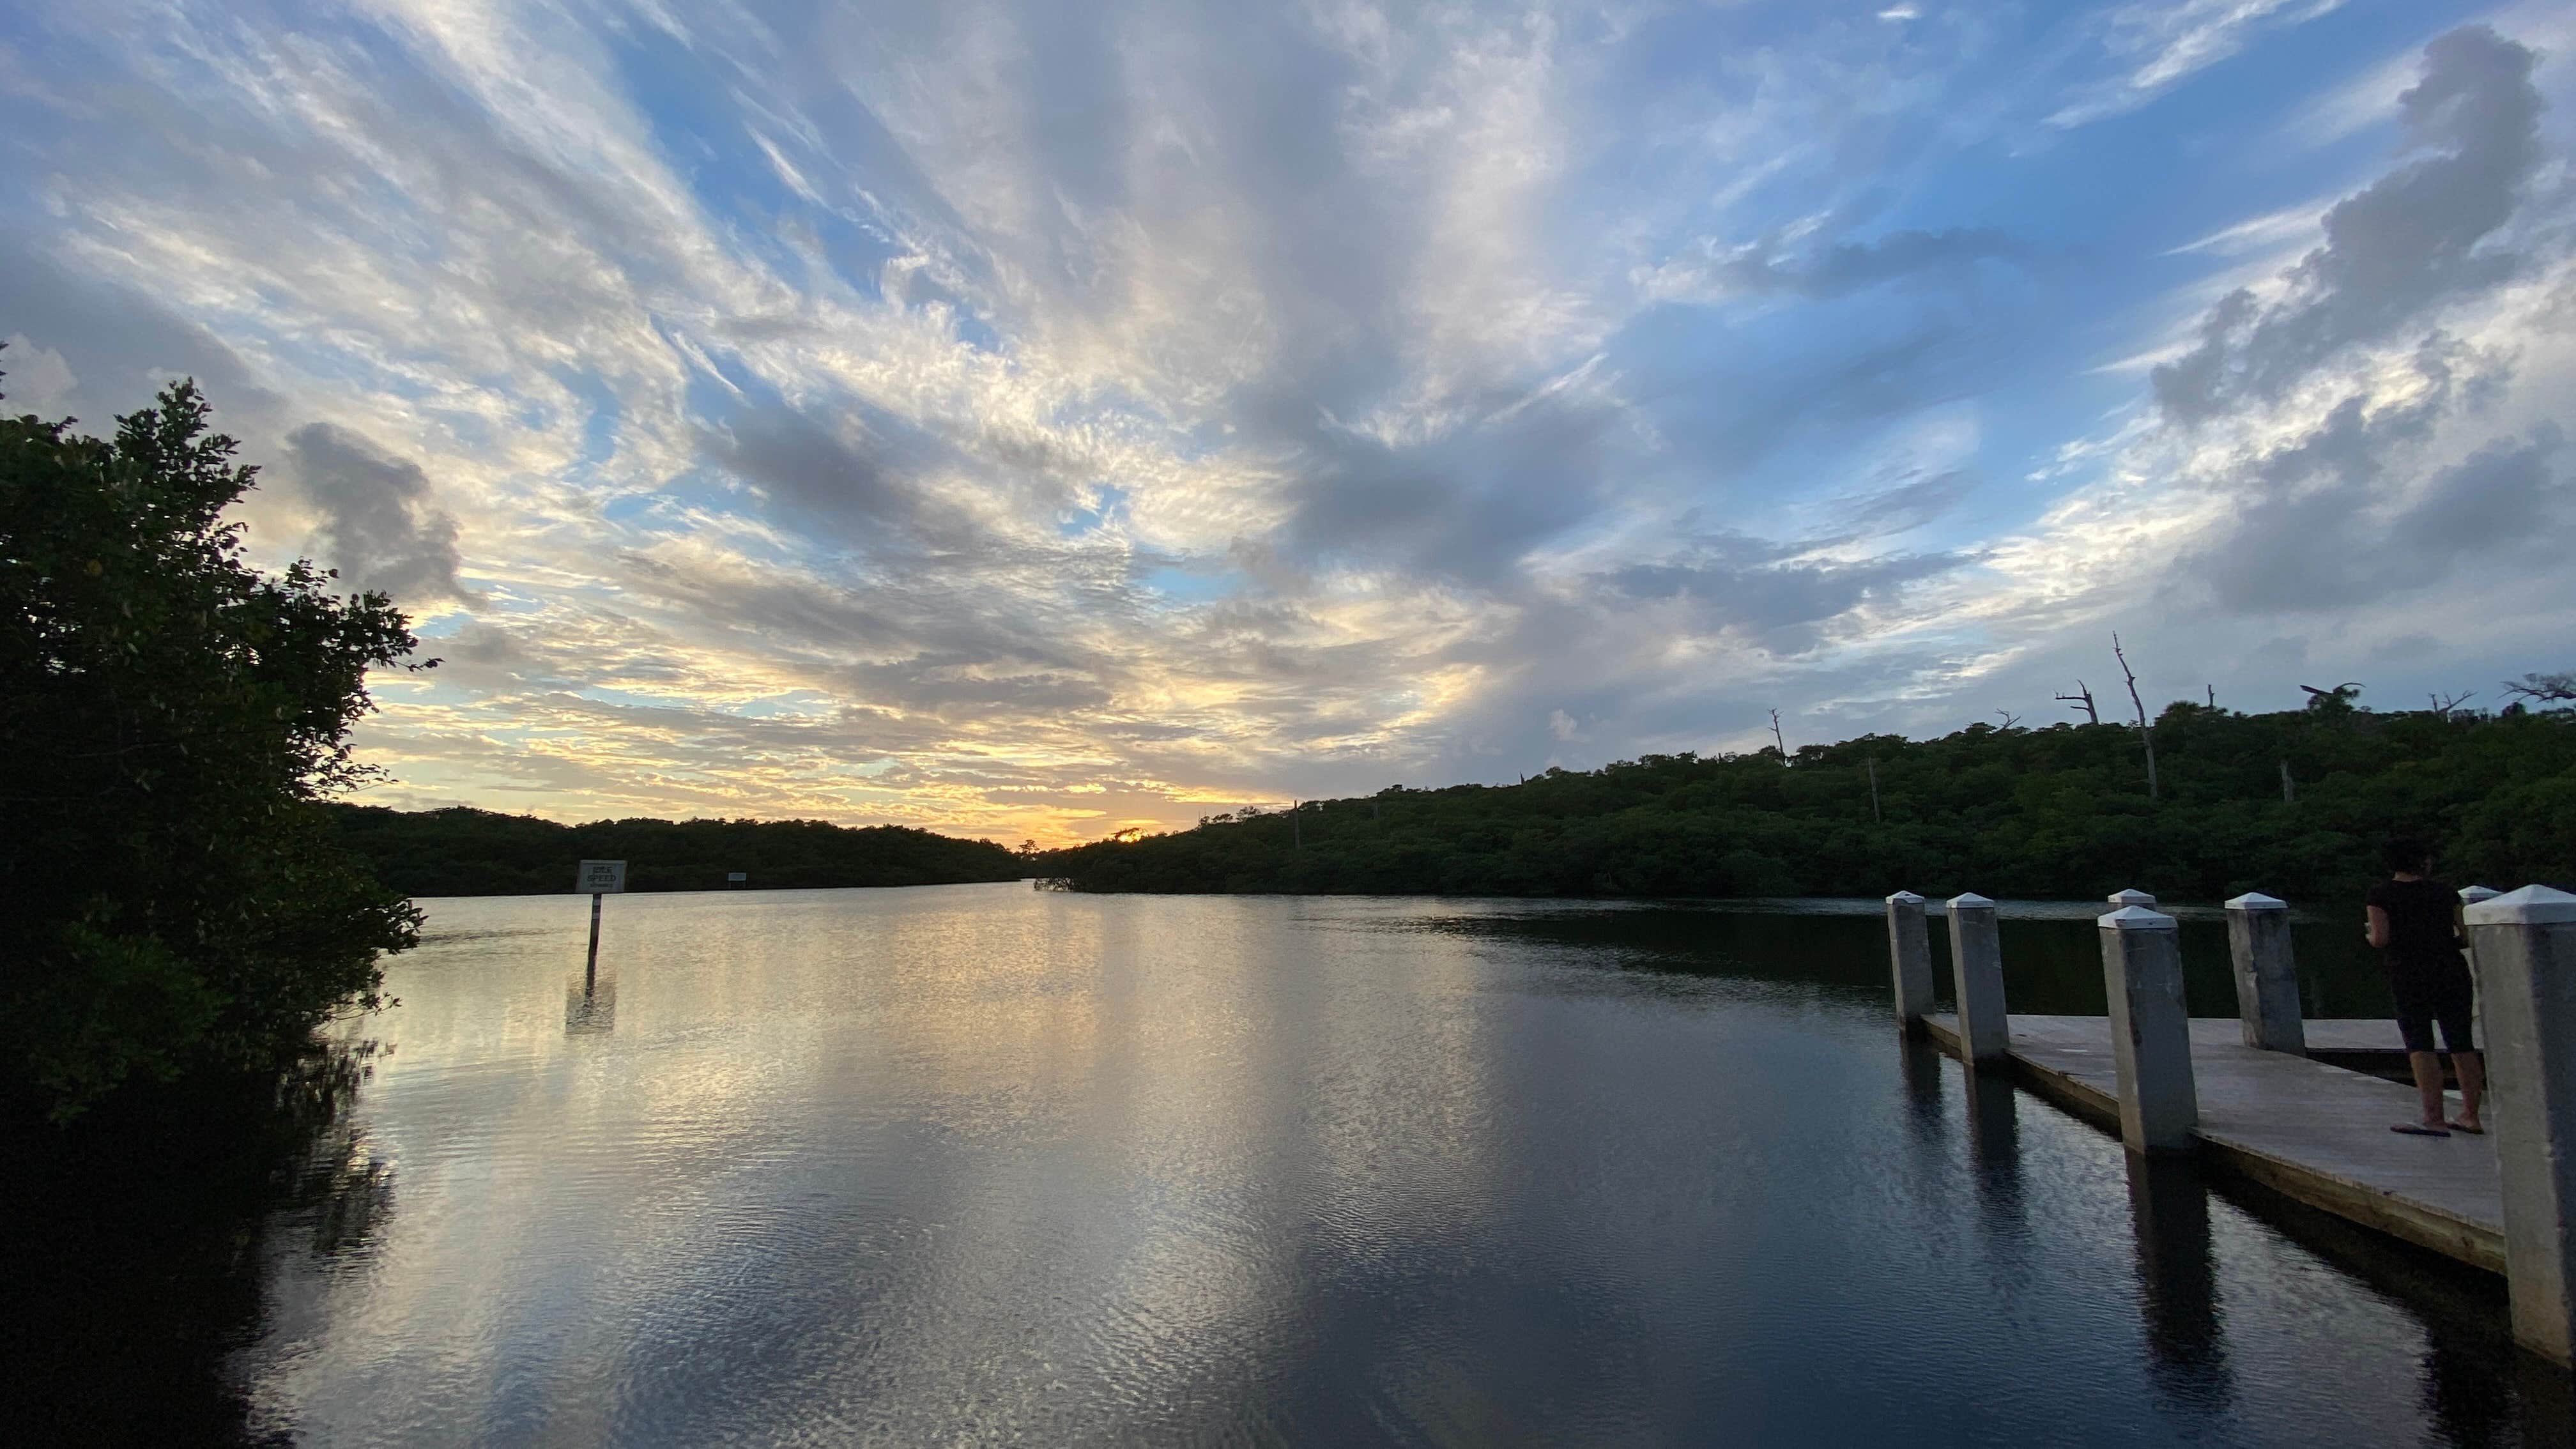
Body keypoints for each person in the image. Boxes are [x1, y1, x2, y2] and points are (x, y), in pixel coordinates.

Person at [2365, 838, 2483, 1137]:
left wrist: (2368, 936)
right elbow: (2466, 935)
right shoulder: (2445, 892)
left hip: (2408, 973)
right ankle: (2470, 1116)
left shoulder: (2381, 894)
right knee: (2461, 1042)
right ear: (2423, 861)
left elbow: (2380, 938)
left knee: (2420, 1044)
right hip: (2451, 971)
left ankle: (2434, 1119)